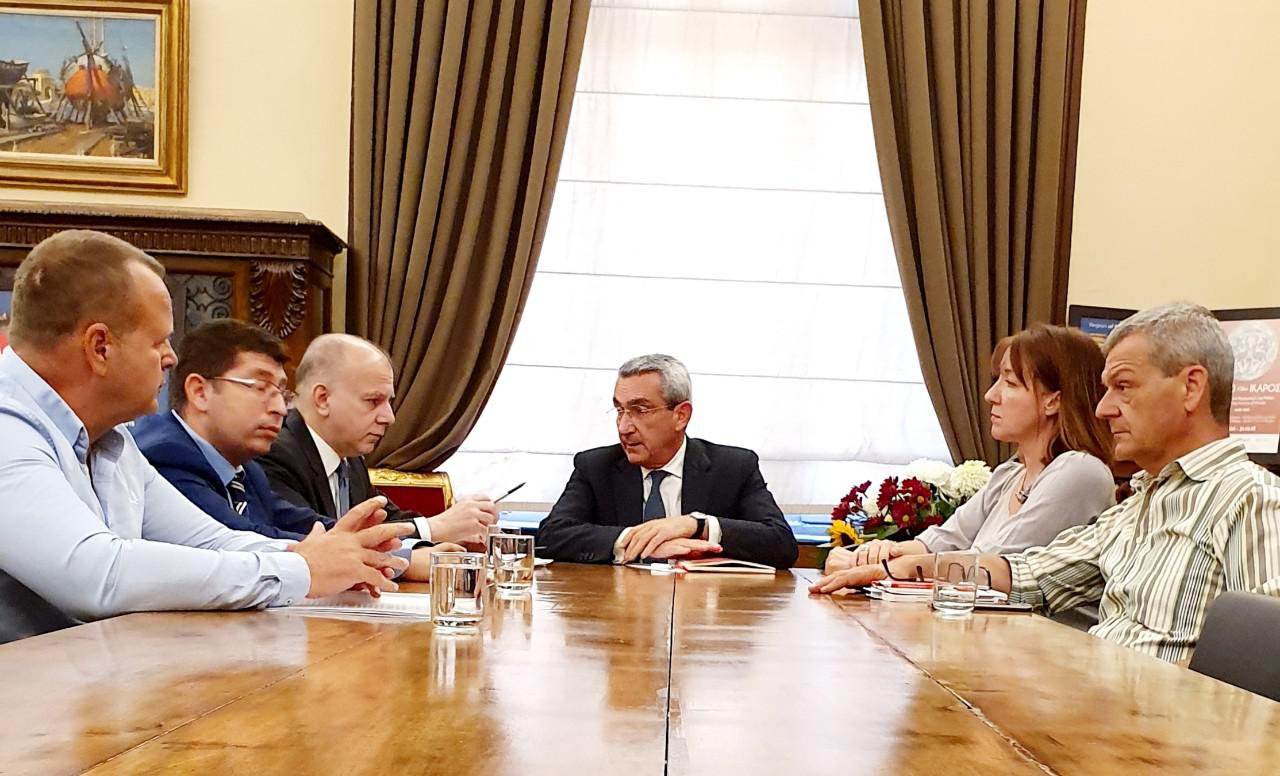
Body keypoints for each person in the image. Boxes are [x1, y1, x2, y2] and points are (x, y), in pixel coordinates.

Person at [0, 230, 411, 644]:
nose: (171, 358)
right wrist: (302, 570)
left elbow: (211, 540)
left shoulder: (114, 441)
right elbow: (99, 575)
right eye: (159, 341)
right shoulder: (7, 426)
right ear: (100, 347)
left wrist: (328, 557)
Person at [811, 302, 1280, 664]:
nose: (1103, 408)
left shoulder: (1252, 500)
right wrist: (896, 571)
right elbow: (1026, 575)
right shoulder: (1138, 506)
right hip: (1092, 714)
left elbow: (1259, 680)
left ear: (1191, 388)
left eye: (1123, 386)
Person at [131, 320, 457, 580]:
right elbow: (240, 539)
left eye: (280, 392)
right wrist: (396, 559)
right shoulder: (167, 455)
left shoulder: (245, 468)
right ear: (200, 392)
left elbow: (304, 523)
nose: (280, 408)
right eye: (261, 387)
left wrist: (390, 547)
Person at [824, 324, 1116, 574]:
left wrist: (882, 569)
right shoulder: (1010, 475)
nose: (991, 395)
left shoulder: (1081, 471)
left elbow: (990, 566)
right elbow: (940, 542)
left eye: (1010, 382)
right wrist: (872, 554)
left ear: (1053, 401)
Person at [539, 354, 798, 568]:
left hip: (703, 610)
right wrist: (638, 543)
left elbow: (782, 544)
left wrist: (696, 525)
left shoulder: (733, 467)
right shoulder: (596, 467)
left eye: (640, 410)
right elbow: (550, 536)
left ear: (681, 416)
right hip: (620, 607)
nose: (624, 427)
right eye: (620, 410)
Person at [259, 333, 498, 548]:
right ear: (323, 399)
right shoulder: (274, 453)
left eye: (388, 402)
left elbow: (387, 519)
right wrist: (434, 528)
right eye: (373, 401)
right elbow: (318, 540)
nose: (389, 418)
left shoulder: (349, 458)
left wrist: (457, 526)